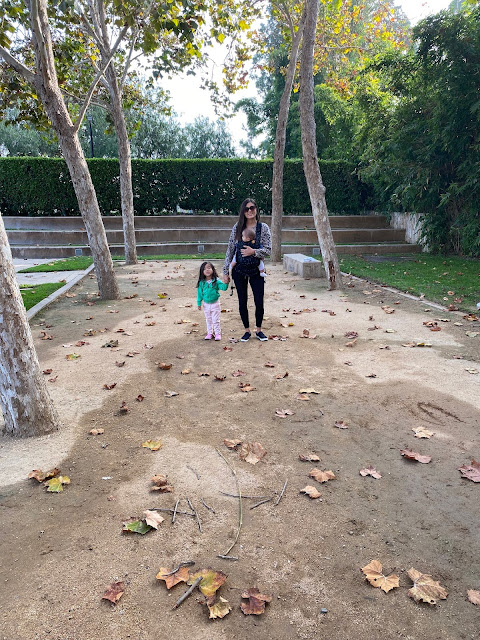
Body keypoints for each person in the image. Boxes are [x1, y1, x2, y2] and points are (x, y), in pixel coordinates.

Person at [223, 198, 271, 342]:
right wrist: (225, 271)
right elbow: (230, 249)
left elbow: (268, 249)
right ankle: (246, 330)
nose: (249, 211)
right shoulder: (237, 227)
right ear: (243, 211)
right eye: (246, 209)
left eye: (252, 208)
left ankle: (259, 330)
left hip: (256, 269)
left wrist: (253, 252)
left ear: (256, 209)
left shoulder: (263, 228)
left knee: (259, 301)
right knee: (242, 301)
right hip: (239, 270)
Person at [196, 261, 228, 341]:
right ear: (202, 271)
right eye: (205, 269)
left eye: (209, 268)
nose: (207, 270)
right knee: (208, 319)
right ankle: (209, 333)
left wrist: (226, 282)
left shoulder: (216, 281)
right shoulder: (201, 283)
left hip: (215, 303)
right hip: (206, 304)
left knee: (215, 320)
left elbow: (223, 288)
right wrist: (199, 303)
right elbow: (199, 294)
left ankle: (217, 333)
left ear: (213, 270)